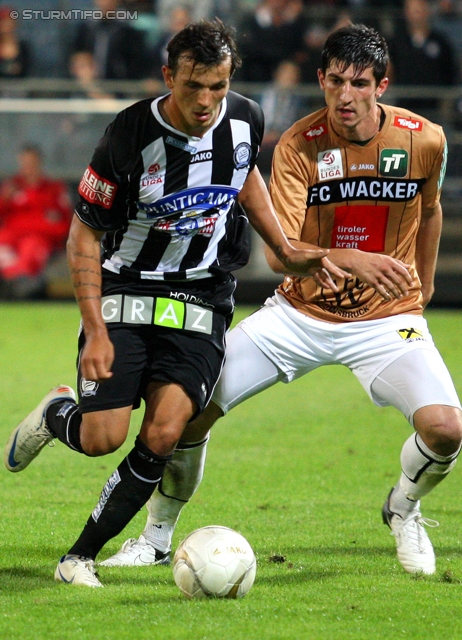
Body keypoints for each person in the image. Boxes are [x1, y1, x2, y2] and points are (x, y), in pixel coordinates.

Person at [101, 23, 462, 578]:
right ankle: (156, 537)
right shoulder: (299, 145)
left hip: (387, 319)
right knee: (187, 411)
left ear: (381, 86)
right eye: (336, 81)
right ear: (320, 79)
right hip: (297, 315)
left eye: (359, 83)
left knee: (446, 428)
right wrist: (359, 260)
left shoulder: (425, 139)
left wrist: (426, 286)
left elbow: (431, 209)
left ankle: (404, 509)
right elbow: (283, 252)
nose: (346, 95)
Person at [3, 19, 347, 588]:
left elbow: (245, 178)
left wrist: (284, 248)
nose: (207, 101)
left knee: (165, 432)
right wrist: (95, 329)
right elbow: (83, 236)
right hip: (127, 289)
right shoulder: (128, 135)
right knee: (102, 437)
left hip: (202, 293)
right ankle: (56, 415)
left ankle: (79, 557)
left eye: (218, 85)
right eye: (194, 86)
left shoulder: (244, 117)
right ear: (169, 77)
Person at [0, 145, 72, 298]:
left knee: (31, 248)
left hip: (39, 240)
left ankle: (17, 286)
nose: (28, 167)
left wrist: (41, 227)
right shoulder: (11, 188)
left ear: (39, 163)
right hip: (11, 239)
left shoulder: (53, 189)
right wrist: (4, 200)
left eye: (31, 163)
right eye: (24, 163)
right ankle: (12, 282)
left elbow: (63, 225)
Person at [388, 0, 459, 122]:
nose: (416, 14)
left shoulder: (441, 42)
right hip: (403, 107)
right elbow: (388, 70)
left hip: (434, 109)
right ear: (406, 13)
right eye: (412, 10)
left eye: (419, 9)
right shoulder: (396, 42)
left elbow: (451, 72)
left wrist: (445, 102)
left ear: (427, 11)